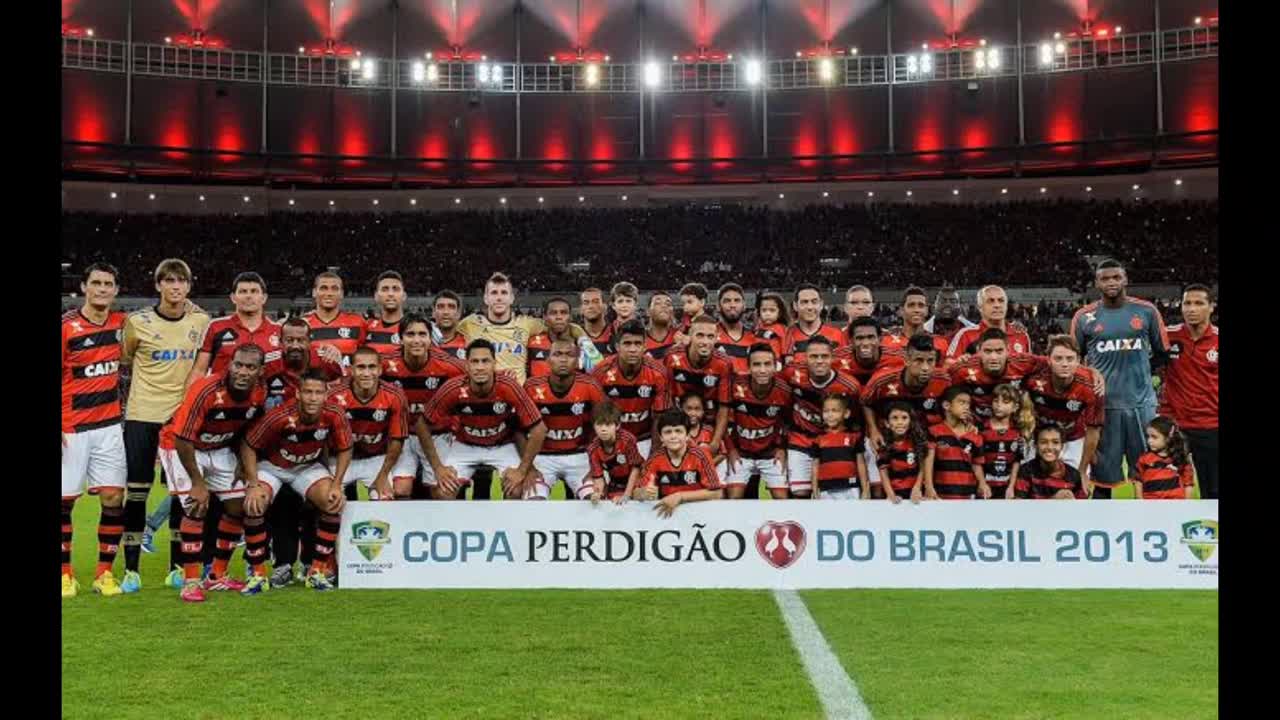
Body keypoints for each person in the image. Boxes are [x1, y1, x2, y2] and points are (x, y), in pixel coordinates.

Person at [118, 258, 209, 593]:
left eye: (181, 282)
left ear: (188, 286)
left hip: (181, 419)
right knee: (137, 493)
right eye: (168, 281)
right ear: (158, 285)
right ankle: (131, 569)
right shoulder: (136, 322)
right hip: (143, 415)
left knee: (179, 495)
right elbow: (126, 358)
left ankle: (176, 567)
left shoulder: (201, 320)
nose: (175, 287)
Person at [159, 344, 267, 602]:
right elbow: (183, 438)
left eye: (250, 367)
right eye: (238, 365)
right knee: (196, 506)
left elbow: (247, 431)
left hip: (219, 447)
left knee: (240, 508)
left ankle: (217, 576)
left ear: (260, 371)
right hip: (181, 447)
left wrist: (243, 463)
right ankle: (191, 581)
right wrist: (198, 482)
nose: (243, 372)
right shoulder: (206, 389)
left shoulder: (259, 393)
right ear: (229, 365)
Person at [240, 370, 353, 593]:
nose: (313, 398)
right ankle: (258, 575)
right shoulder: (279, 415)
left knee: (333, 502)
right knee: (254, 505)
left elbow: (345, 448)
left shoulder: (335, 414)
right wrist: (253, 484)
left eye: (318, 392)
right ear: (298, 394)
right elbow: (248, 445)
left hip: (306, 466)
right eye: (308, 392)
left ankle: (317, 572)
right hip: (273, 467)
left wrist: (337, 483)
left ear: (326, 394)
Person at [1070, 259, 1169, 499]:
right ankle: (1103, 530)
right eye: (1105, 278)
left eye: (1116, 277)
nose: (1111, 282)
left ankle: (1151, 529)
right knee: (1103, 478)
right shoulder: (1084, 317)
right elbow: (1072, 360)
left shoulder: (1146, 311)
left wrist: (1142, 374)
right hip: (1104, 408)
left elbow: (1162, 352)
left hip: (1142, 406)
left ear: (1125, 279)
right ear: (1096, 283)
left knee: (1148, 473)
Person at [62, 263, 129, 598]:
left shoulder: (122, 323)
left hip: (109, 427)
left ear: (116, 290)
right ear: (84, 287)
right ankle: (64, 574)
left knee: (114, 498)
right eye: (97, 283)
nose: (102, 289)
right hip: (70, 427)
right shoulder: (66, 327)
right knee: (63, 503)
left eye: (109, 284)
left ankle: (104, 574)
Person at [419, 339, 548, 500]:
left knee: (516, 489)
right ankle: (458, 524)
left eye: (485, 361)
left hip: (502, 445)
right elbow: (421, 425)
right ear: (467, 365)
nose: (480, 367)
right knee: (443, 492)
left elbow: (539, 429)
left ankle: (506, 524)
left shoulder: (509, 386)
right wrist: (438, 468)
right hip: (465, 445)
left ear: (494, 364)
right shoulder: (453, 388)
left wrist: (522, 470)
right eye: (474, 361)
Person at [381, 313, 467, 502]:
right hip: (401, 436)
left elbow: (477, 382)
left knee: (446, 492)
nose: (417, 340)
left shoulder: (450, 366)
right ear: (400, 339)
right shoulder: (384, 365)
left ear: (430, 339)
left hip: (437, 435)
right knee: (401, 489)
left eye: (422, 334)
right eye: (410, 334)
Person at [457, 272, 587, 386]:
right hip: (482, 394)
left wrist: (583, 340)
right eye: (494, 293)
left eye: (504, 292)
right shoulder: (470, 323)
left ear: (512, 298)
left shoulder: (527, 324)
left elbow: (564, 325)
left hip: (517, 398)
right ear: (486, 298)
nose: (499, 297)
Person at [523, 337, 606, 500]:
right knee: (533, 501)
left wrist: (596, 466)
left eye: (569, 355)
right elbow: (518, 431)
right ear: (548, 360)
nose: (563, 359)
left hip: (580, 455)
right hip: (542, 457)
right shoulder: (531, 387)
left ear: (577, 360)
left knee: (595, 499)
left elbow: (603, 427)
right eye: (557, 354)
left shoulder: (590, 386)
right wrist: (529, 467)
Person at [780, 335, 862, 498]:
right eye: (814, 356)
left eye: (824, 356)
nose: (819, 361)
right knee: (800, 492)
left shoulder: (850, 386)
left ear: (832, 358)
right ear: (805, 358)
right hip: (801, 438)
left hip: (833, 442)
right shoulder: (790, 373)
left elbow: (856, 419)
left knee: (835, 491)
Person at [326, 346, 411, 502]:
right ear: (351, 370)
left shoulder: (395, 396)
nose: (366, 373)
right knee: (329, 500)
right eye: (360, 367)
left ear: (379, 370)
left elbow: (397, 441)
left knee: (385, 499)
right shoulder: (333, 396)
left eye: (371, 367)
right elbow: (323, 438)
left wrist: (383, 475)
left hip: (376, 459)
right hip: (340, 459)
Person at [1158, 284, 1218, 498]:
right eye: (1187, 303)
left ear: (1211, 307)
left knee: (1213, 491)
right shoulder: (1167, 336)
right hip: (1174, 427)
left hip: (1211, 427)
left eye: (1199, 303)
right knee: (1165, 489)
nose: (1191, 309)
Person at [1022, 335, 1104, 478]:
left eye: (1070, 359)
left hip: (1072, 439)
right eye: (1058, 358)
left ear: (1078, 361)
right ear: (1049, 360)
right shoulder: (1033, 378)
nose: (1064, 364)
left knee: (1077, 489)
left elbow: (1093, 431)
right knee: (1031, 485)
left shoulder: (1092, 386)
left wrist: (1083, 470)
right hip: (1037, 438)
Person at [186, 272, 282, 386]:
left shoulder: (279, 331)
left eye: (254, 291)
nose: (248, 296)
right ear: (233, 297)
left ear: (264, 298)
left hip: (268, 402)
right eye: (243, 291)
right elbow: (199, 371)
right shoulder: (215, 327)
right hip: (222, 401)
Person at [591, 320, 671, 456]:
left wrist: (654, 452)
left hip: (645, 439)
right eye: (627, 344)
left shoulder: (658, 372)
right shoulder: (601, 372)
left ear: (645, 346)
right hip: (611, 439)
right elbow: (597, 416)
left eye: (637, 344)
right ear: (617, 346)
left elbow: (660, 417)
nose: (632, 349)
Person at [862, 333, 952, 452]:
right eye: (919, 360)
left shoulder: (944, 380)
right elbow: (865, 402)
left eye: (930, 361)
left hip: (926, 440)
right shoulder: (882, 380)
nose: (925, 367)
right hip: (888, 439)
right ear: (906, 360)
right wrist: (873, 430)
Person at [724, 343, 792, 499]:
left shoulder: (784, 391)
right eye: (757, 364)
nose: (762, 370)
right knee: (733, 499)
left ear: (775, 366)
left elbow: (789, 421)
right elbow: (721, 418)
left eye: (767, 364)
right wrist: (731, 449)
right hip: (741, 453)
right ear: (748, 367)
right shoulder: (735, 386)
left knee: (783, 500)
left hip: (770, 454)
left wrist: (782, 447)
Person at [637, 409, 724, 517]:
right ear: (661, 437)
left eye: (678, 431)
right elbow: (636, 493)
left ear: (687, 436)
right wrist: (643, 493)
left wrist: (680, 496)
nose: (673, 436)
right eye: (668, 432)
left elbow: (717, 493)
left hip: (699, 514)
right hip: (666, 515)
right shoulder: (655, 459)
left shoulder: (700, 455)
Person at [665, 314, 733, 454]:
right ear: (689, 336)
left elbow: (724, 406)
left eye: (710, 337)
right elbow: (668, 397)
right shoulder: (672, 357)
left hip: (710, 422)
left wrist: (715, 442)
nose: (705, 342)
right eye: (700, 336)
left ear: (716, 338)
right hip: (680, 421)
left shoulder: (724, 363)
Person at [921, 386, 990, 501]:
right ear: (947, 406)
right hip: (941, 495)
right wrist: (928, 486)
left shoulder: (975, 436)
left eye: (968, 403)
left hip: (968, 495)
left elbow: (976, 464)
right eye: (961, 402)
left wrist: (982, 483)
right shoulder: (934, 431)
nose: (966, 407)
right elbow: (928, 460)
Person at [946, 286, 1033, 360]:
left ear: (1006, 306)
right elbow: (948, 366)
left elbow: (1030, 367)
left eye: (1001, 300)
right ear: (980, 307)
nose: (997, 305)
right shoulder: (965, 335)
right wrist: (960, 363)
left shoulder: (1021, 335)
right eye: (991, 301)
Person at [980, 384, 1034, 500]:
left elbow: (1017, 461)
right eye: (995, 401)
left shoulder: (1017, 432)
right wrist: (982, 483)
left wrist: (1011, 486)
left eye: (1005, 402)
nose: (999, 405)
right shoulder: (981, 429)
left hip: (1006, 487)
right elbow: (976, 460)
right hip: (984, 486)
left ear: (1015, 407)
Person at [585, 401, 646, 504]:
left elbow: (636, 468)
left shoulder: (627, 440)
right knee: (591, 489)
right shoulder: (592, 449)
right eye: (599, 424)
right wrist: (598, 494)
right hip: (615, 483)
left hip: (637, 479)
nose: (603, 429)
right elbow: (598, 477)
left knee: (639, 496)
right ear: (594, 426)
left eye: (608, 424)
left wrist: (627, 495)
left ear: (617, 426)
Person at [811, 395, 870, 500]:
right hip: (826, 489)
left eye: (835, 411)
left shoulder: (854, 436)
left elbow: (861, 463)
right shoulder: (818, 438)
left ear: (846, 413)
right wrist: (814, 488)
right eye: (826, 411)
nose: (830, 415)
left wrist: (865, 488)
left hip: (851, 487)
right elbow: (815, 465)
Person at [303, 271, 368, 366]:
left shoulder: (358, 322)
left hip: (347, 380)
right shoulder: (303, 324)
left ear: (341, 294)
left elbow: (366, 358)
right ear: (314, 292)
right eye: (323, 288)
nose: (329, 293)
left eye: (334, 289)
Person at [1129, 416, 1196, 500]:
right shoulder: (1144, 459)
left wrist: (1186, 504)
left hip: (1176, 505)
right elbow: (1138, 480)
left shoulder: (1180, 458)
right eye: (1148, 436)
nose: (1149, 441)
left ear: (1168, 437)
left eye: (1154, 437)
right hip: (1150, 505)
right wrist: (1140, 500)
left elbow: (1188, 483)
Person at [1013, 425, 1087, 500]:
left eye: (1055, 442)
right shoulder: (1026, 471)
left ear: (1062, 446)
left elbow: (1084, 508)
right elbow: (1019, 507)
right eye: (1043, 442)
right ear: (1035, 446)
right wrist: (1053, 500)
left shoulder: (1073, 475)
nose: (1049, 447)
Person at [877, 402, 929, 504]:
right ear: (887, 423)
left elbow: (922, 469)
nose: (900, 422)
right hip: (896, 496)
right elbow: (884, 473)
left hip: (916, 496)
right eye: (895, 418)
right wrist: (890, 495)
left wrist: (917, 488)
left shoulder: (917, 443)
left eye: (904, 418)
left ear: (911, 422)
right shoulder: (884, 446)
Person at [783, 284, 844, 365]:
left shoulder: (837, 335)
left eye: (814, 302)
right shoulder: (786, 336)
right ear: (795, 306)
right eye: (804, 302)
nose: (810, 307)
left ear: (821, 304)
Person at [883, 286, 951, 359]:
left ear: (927, 310)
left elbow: (950, 367)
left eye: (921, 305)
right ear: (901, 310)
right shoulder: (884, 341)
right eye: (911, 305)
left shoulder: (940, 343)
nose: (916, 310)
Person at [526, 297, 576, 380]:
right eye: (553, 313)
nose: (559, 317)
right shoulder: (531, 343)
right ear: (545, 317)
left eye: (563, 313)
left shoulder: (581, 343)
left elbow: (596, 369)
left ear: (570, 317)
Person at [680, 393, 727, 478]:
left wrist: (706, 466)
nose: (693, 413)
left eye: (697, 409)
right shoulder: (676, 432)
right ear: (681, 409)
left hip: (710, 473)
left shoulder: (710, 431)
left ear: (703, 411)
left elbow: (723, 453)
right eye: (688, 409)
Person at [714, 283, 756, 376]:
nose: (732, 305)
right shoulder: (709, 335)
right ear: (718, 306)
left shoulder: (755, 337)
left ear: (744, 305)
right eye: (727, 301)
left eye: (737, 300)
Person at [365, 270, 407, 357]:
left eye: (396, 289)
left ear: (404, 296)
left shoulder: (414, 328)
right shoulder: (365, 328)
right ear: (376, 296)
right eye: (385, 289)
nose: (390, 294)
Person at [922, 286, 977, 352]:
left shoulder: (972, 330)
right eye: (943, 301)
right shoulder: (923, 332)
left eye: (953, 301)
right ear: (934, 306)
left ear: (960, 306)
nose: (947, 304)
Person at [430, 290, 468, 360]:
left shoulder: (468, 343)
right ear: (433, 312)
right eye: (441, 307)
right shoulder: (423, 342)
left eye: (451, 307)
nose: (446, 312)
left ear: (459, 313)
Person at [754, 292, 790, 359]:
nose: (768, 314)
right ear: (759, 312)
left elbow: (786, 349)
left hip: (775, 362)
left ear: (779, 313)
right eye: (764, 310)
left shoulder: (782, 329)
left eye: (772, 310)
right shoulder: (757, 328)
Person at [579, 287, 614, 357]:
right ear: (581, 309)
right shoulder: (574, 335)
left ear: (605, 307)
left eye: (595, 301)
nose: (590, 306)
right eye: (586, 303)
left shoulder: (616, 332)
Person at [644, 291, 679, 360]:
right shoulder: (638, 339)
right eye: (657, 303)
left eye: (668, 304)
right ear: (648, 312)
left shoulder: (681, 336)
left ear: (672, 312)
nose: (664, 306)